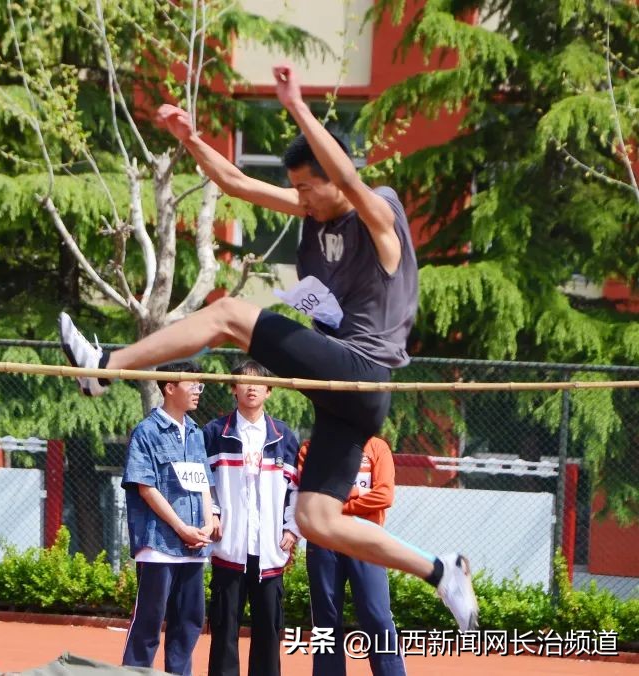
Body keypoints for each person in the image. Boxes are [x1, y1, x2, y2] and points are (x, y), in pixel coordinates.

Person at [57, 62, 478, 631]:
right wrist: (191, 140)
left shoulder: (377, 214)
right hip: (341, 395)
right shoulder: (312, 211)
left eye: (309, 187)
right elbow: (236, 183)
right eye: (297, 188)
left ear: (334, 177)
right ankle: (440, 570)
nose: (300, 199)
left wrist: (297, 105)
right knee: (314, 517)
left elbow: (351, 182)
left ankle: (105, 368)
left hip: (363, 370)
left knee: (229, 314)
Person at [202, 360, 301, 676]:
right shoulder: (215, 433)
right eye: (244, 381)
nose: (252, 387)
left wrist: (292, 528)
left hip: (270, 551)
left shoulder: (284, 436)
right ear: (233, 388)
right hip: (229, 547)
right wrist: (212, 514)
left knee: (269, 633)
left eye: (259, 382)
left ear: (270, 391)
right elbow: (203, 483)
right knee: (223, 631)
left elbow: (297, 490)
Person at [121, 361, 214, 676]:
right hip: (159, 544)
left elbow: (202, 484)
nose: (198, 391)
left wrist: (209, 519)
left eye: (200, 385)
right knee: (148, 623)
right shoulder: (146, 431)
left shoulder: (195, 433)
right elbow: (146, 488)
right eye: (193, 385)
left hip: (193, 549)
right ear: (169, 387)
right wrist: (180, 527)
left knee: (188, 623)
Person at [300, 436, 407, 676]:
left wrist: (337, 503)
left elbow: (384, 496)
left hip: (366, 539)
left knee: (377, 616)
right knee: (326, 621)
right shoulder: (311, 448)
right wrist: (359, 494)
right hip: (323, 541)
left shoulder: (377, 447)